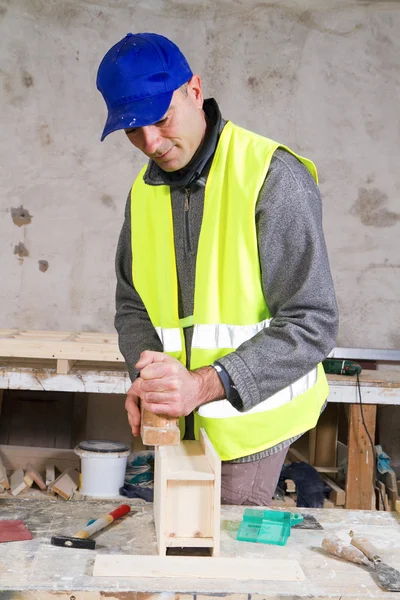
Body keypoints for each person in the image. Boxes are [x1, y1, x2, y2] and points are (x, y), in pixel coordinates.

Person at [96, 32, 339, 506]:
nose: (150, 142)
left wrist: (203, 386)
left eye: (161, 120)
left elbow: (314, 322)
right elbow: (132, 304)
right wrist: (149, 381)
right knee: (181, 548)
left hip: (249, 427)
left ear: (193, 91)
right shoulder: (143, 193)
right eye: (132, 130)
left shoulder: (270, 175)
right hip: (179, 424)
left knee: (211, 564)